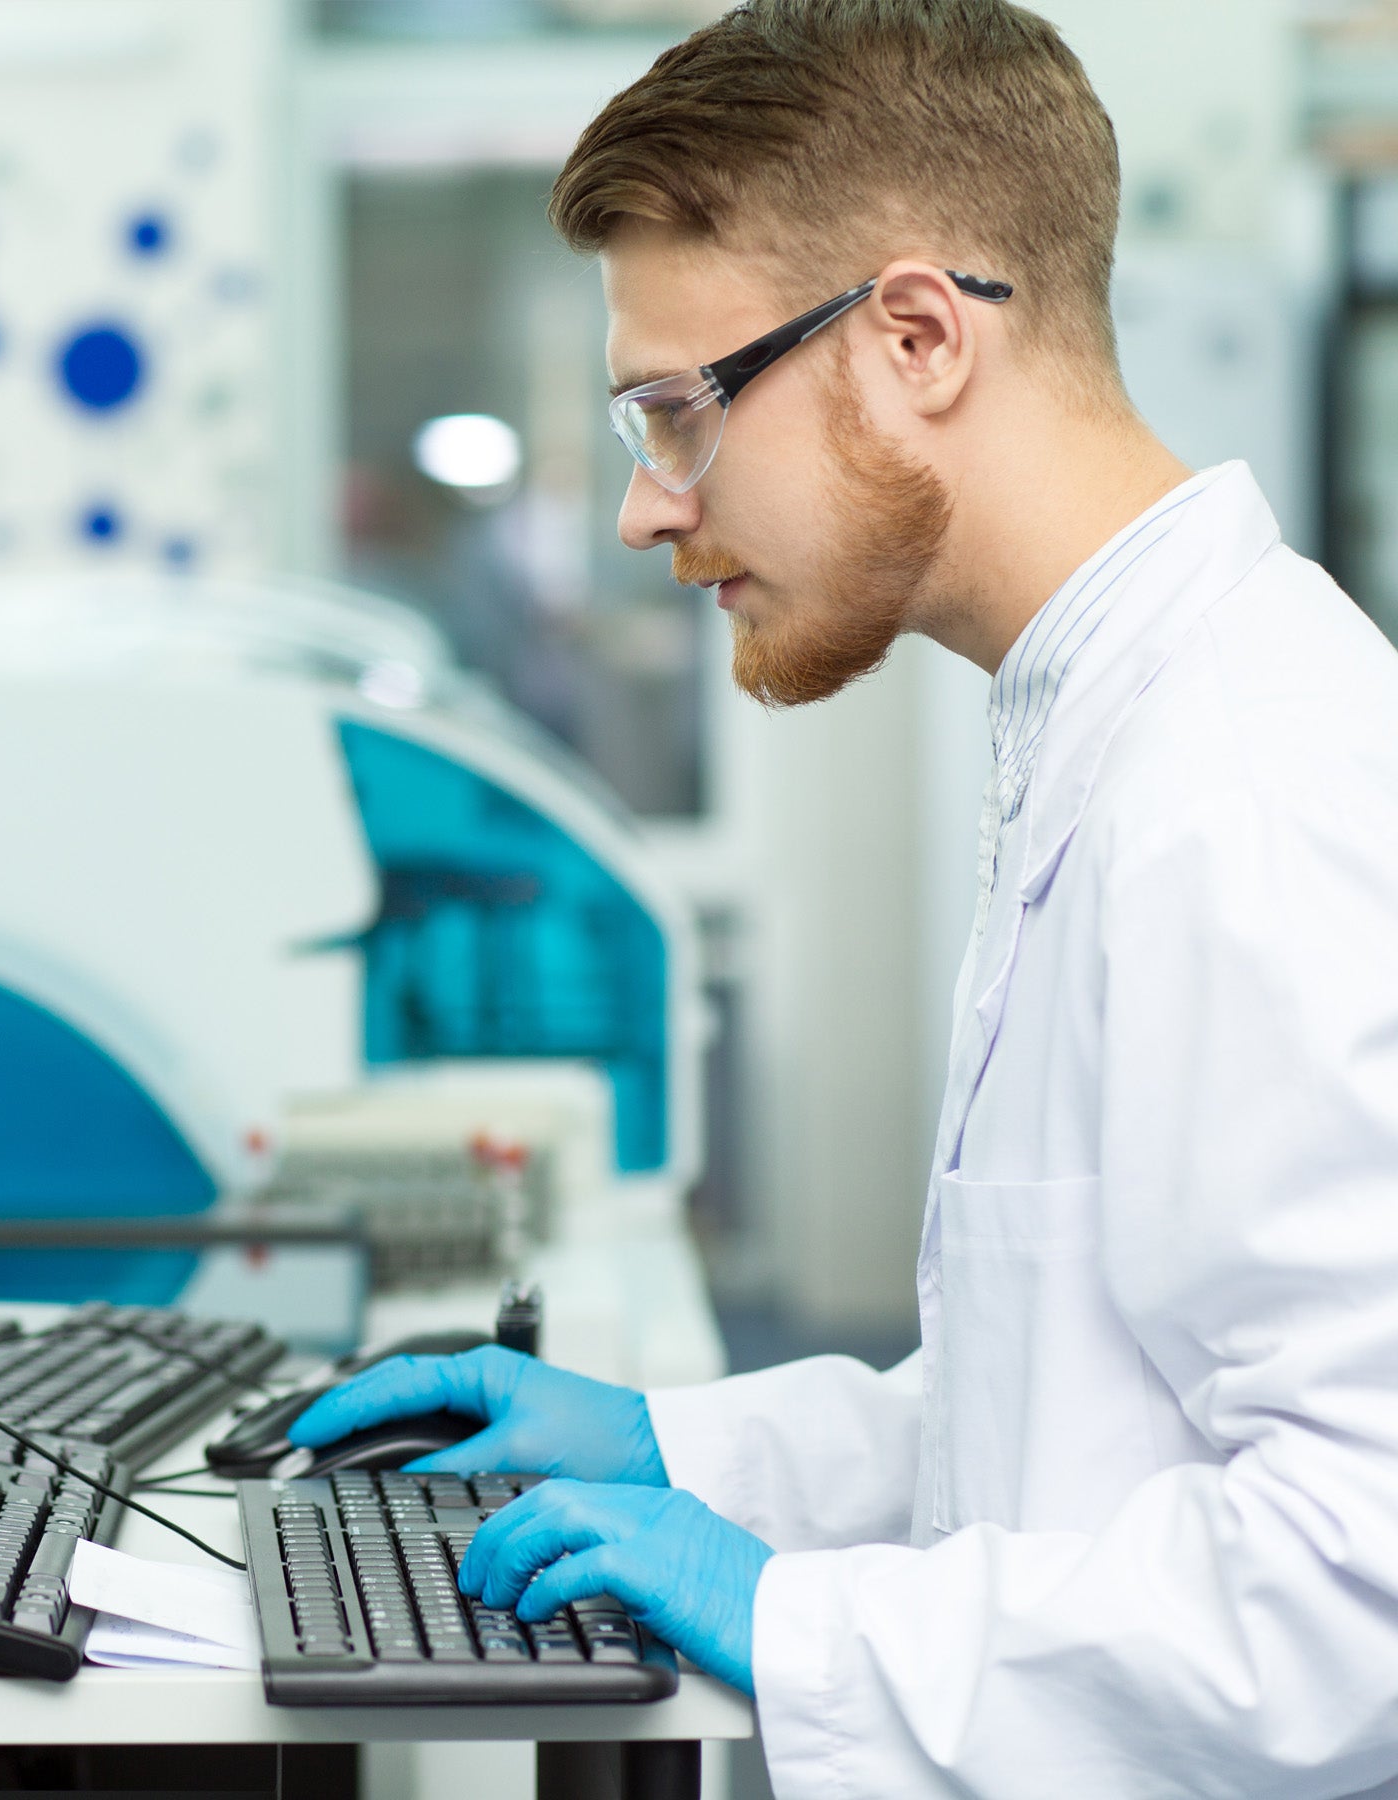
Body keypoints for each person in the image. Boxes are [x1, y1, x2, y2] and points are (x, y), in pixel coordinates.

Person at [289, 2, 1398, 1794]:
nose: (650, 513)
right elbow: (1087, 1415)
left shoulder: (1244, 785)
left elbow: (1365, 1586)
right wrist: (684, 1452)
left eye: (677, 411)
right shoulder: (1107, 714)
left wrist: (800, 1622)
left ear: (911, 335)